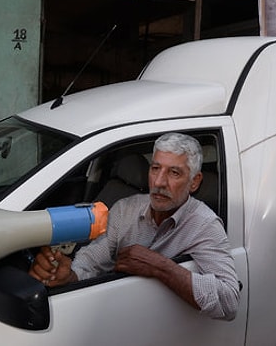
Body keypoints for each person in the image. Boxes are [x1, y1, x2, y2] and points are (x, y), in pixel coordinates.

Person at [28, 132, 240, 320]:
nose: (158, 182)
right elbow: (93, 259)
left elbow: (229, 301)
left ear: (194, 182)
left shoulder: (204, 224)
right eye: (155, 168)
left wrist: (159, 266)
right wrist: (70, 275)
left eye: (174, 173)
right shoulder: (125, 209)